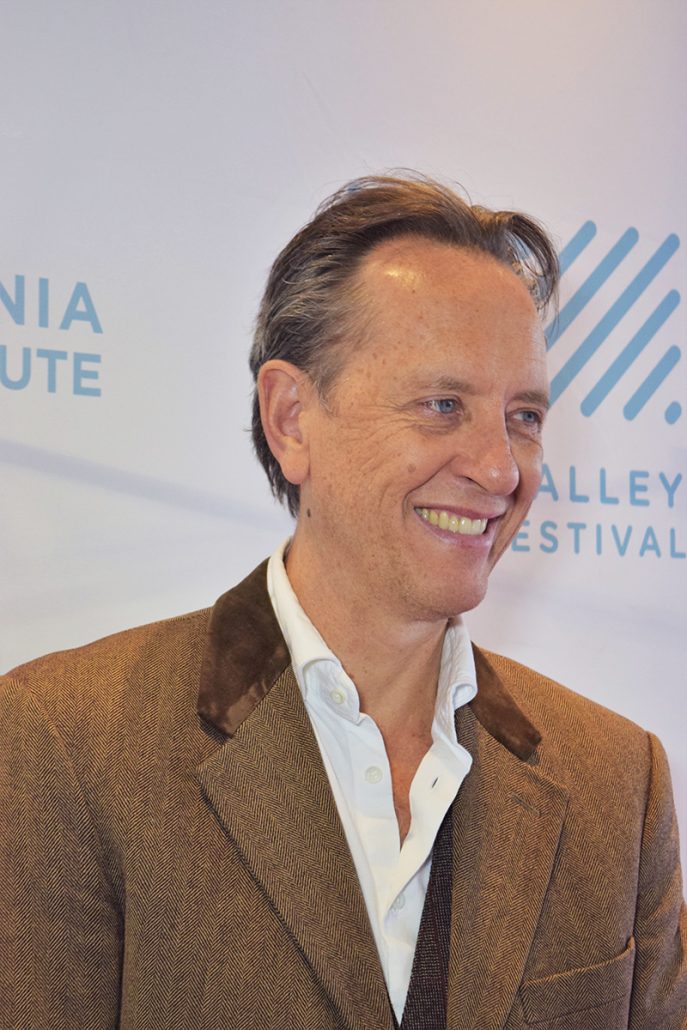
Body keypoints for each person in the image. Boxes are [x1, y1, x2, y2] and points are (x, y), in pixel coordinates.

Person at [1, 175, 685, 1030]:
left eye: (523, 417)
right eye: (443, 405)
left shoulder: (618, 782)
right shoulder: (68, 744)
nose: (499, 468)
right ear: (291, 418)